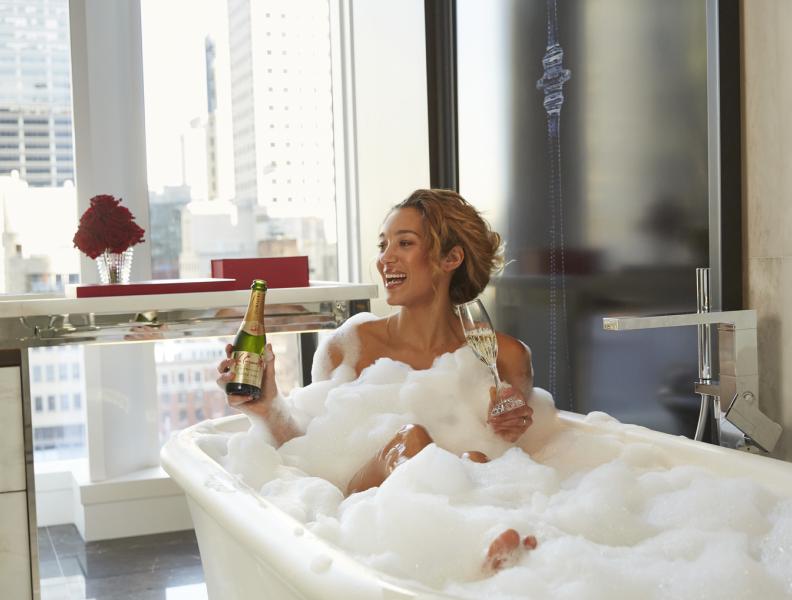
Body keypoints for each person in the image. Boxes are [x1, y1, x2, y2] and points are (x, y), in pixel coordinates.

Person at [216, 188, 536, 572]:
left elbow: (519, 452)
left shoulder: (505, 356)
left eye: (405, 243)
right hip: (356, 508)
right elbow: (307, 454)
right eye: (383, 245)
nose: (385, 258)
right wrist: (268, 407)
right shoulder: (350, 347)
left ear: (451, 258)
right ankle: (474, 551)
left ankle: (482, 555)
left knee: (477, 461)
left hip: (443, 514)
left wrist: (513, 423)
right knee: (411, 440)